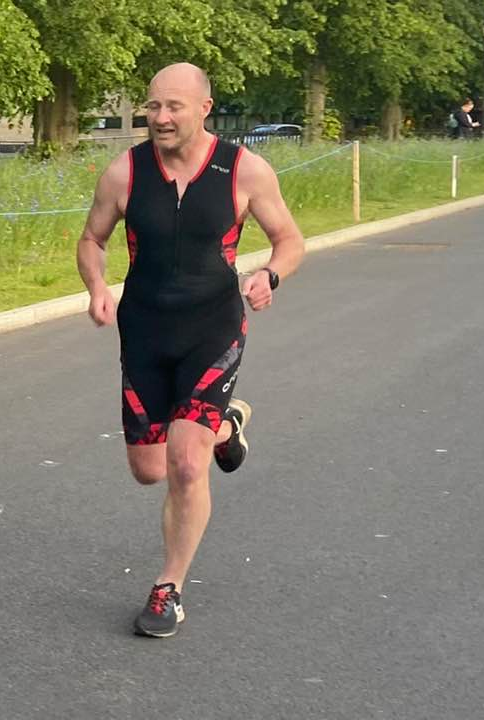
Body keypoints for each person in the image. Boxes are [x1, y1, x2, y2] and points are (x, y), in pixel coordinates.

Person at [77, 62, 305, 638]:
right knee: (149, 469)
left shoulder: (243, 170)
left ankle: (168, 588)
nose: (160, 117)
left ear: (204, 108)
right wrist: (97, 285)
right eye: (153, 106)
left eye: (173, 106)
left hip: (213, 328)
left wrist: (270, 275)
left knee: (185, 462)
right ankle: (226, 426)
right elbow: (92, 239)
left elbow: (289, 239)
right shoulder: (125, 172)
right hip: (144, 332)